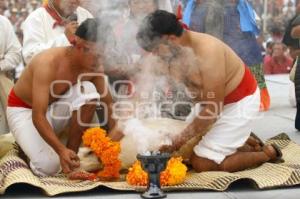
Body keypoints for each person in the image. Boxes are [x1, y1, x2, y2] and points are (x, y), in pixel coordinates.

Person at [137, 10, 282, 172]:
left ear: (170, 39)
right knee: (182, 153)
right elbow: (141, 90)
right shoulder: (172, 50)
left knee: (201, 162)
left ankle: (267, 154)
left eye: (155, 49)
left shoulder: (208, 51)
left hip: (238, 104)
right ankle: (240, 141)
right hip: (207, 107)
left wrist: (178, 141)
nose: (154, 55)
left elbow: (213, 109)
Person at [6, 19, 122, 176]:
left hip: (54, 111)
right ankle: (42, 151)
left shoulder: (94, 68)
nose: (100, 62)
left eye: (103, 56)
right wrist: (60, 150)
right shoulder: (47, 62)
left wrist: (115, 144)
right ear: (79, 45)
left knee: (89, 91)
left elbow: (109, 108)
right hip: (26, 111)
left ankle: (71, 158)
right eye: (96, 55)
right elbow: (38, 115)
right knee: (49, 168)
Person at [183, 0, 271, 111]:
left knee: (249, 62)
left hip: (240, 40)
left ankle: (259, 99)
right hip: (220, 38)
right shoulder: (199, 8)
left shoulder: (234, 7)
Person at [22, 0, 93, 64]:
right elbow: (30, 57)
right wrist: (65, 39)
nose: (74, 1)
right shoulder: (36, 18)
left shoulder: (85, 15)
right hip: (49, 77)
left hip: (82, 76)